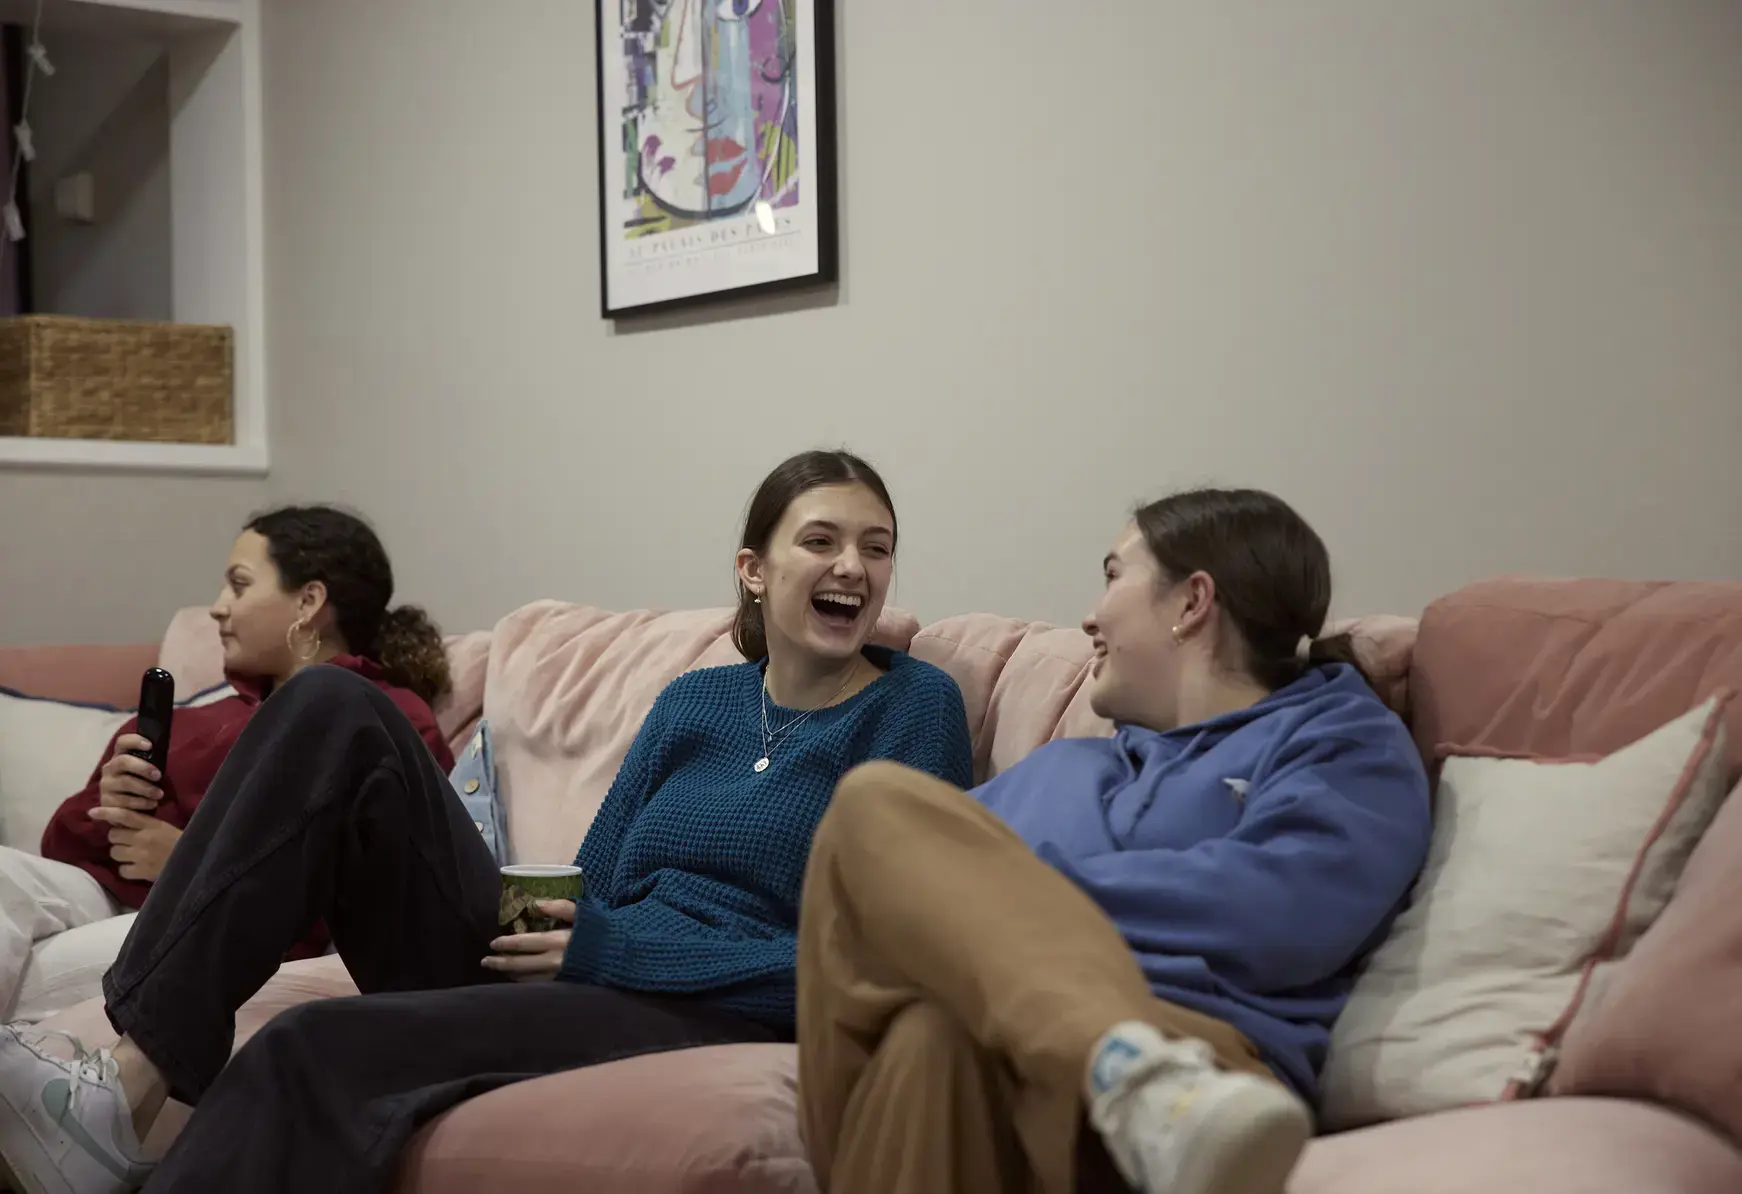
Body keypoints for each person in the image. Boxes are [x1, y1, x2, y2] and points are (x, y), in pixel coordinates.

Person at [0, 449, 974, 1194]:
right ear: (754, 570)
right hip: (576, 960)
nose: (852, 565)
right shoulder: (694, 705)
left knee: (310, 1047)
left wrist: (610, 948)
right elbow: (594, 883)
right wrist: (555, 920)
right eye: (821, 541)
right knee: (330, 706)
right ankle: (133, 1068)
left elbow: (877, 970)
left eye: (874, 548)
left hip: (693, 1003)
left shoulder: (912, 709)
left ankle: (119, 1115)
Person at [797, 488, 1434, 1194]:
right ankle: (1126, 1070)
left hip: (1203, 1060)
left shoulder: (1338, 739)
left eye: (1111, 575)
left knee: (933, 1040)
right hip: (980, 1081)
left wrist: (1002, 903)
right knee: (875, 806)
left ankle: (1149, 1081)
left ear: (1192, 603)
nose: (1089, 616)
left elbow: (1286, 915)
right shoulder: (1063, 769)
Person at [0, 506, 452, 1023]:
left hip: (219, 928)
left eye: (239, 586)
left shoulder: (385, 722)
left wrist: (187, 862)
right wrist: (107, 804)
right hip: (103, 897)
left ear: (308, 601)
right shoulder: (202, 716)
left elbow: (371, 897)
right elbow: (60, 848)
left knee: (36, 975)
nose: (216, 608)